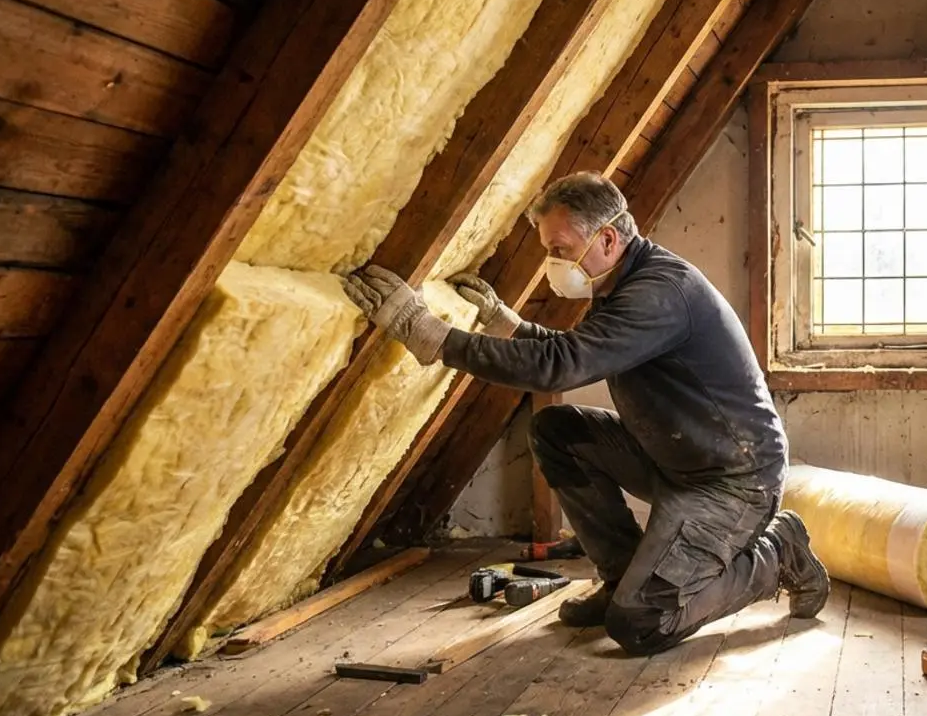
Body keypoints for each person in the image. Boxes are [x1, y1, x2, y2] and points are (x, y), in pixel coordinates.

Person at [341, 172, 829, 656]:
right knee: (557, 432)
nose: (553, 262)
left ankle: (776, 551)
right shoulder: (623, 280)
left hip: (732, 481)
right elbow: (577, 349)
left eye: (559, 249)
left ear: (609, 238)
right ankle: (619, 577)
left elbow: (562, 367)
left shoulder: (659, 293)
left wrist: (430, 335)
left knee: (641, 623)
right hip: (675, 459)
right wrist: (506, 325)